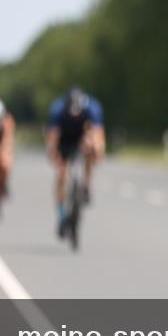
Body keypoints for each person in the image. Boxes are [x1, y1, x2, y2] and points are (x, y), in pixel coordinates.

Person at [46, 86, 105, 235]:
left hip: (81, 137)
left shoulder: (92, 108)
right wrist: (54, 155)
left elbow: (98, 134)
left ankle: (86, 185)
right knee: (61, 175)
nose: (74, 115)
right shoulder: (57, 110)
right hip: (63, 139)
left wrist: (97, 151)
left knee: (91, 148)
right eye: (71, 113)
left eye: (76, 113)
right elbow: (52, 138)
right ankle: (61, 214)